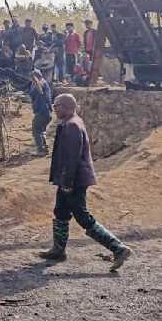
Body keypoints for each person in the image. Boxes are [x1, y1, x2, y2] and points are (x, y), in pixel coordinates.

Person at [38, 94, 133, 271]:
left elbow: (72, 158)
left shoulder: (73, 125)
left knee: (82, 216)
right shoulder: (71, 122)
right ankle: (58, 250)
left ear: (66, 106)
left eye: (56, 105)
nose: (54, 109)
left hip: (74, 180)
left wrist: (67, 182)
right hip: (68, 179)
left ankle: (118, 248)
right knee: (60, 211)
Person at [28, 70, 52, 155]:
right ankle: (45, 149)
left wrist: (35, 81)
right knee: (42, 130)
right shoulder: (45, 83)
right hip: (47, 112)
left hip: (42, 112)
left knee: (36, 130)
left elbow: (39, 91)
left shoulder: (39, 84)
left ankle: (40, 150)